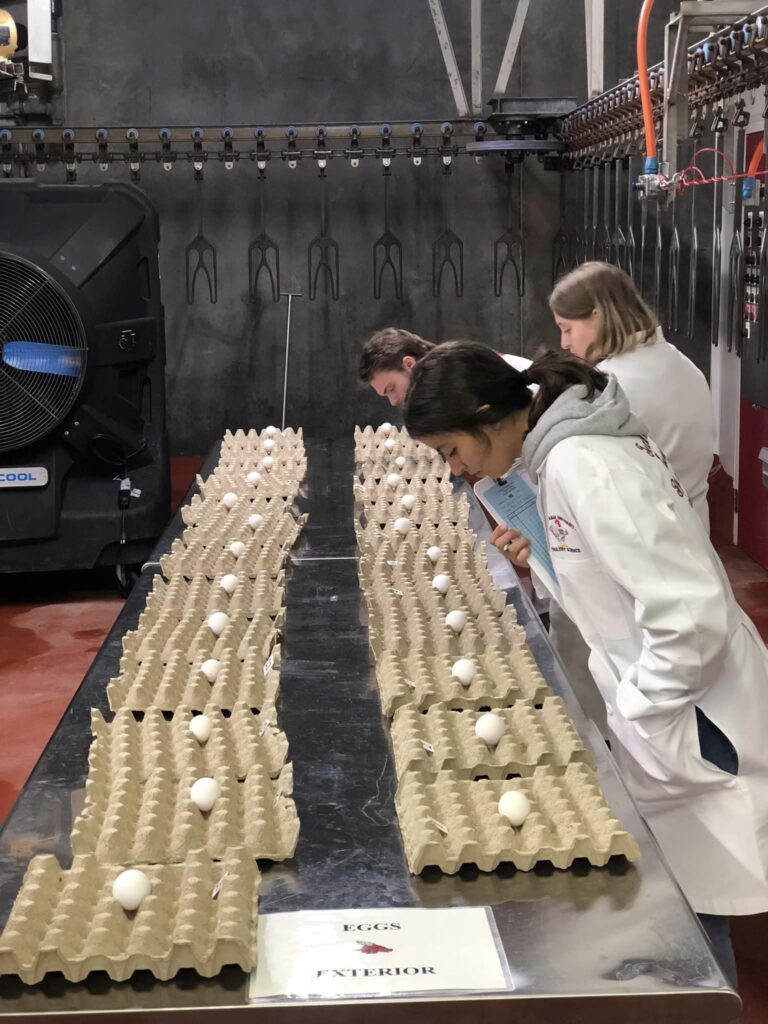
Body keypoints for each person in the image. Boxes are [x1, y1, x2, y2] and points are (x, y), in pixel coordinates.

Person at [404, 340, 768, 987]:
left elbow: (691, 614)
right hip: (676, 708)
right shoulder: (560, 454)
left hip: (696, 713)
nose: (456, 469)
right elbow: (619, 579)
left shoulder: (584, 463)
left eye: (451, 449)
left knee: (697, 930)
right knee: (691, 912)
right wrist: (542, 564)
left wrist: (639, 712)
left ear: (488, 414)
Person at [358, 327, 531, 407]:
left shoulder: (466, 379)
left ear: (409, 364)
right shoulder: (451, 375)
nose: (393, 401)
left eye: (391, 389)